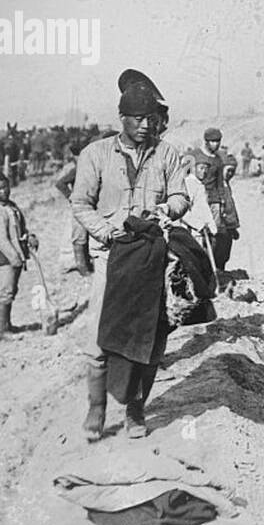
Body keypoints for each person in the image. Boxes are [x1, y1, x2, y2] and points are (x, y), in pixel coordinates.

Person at [70, 69, 188, 442]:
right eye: (138, 119)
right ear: (121, 118)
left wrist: (171, 207)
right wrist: (106, 231)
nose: (145, 125)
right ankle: (97, 410)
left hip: (152, 258)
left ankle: (136, 411)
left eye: (151, 119)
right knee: (99, 339)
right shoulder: (96, 155)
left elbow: (182, 196)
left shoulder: (166, 154)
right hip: (111, 258)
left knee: (149, 341)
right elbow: (80, 203)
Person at [0, 171, 38, 341]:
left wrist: (29, 236)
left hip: (13, 256)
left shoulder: (11, 206)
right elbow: (0, 239)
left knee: (11, 291)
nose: (3, 191)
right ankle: (1, 331)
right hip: (3, 259)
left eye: (5, 187)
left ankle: (7, 325)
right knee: (4, 292)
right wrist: (15, 259)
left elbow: (19, 229)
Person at [53, 142, 93, 275]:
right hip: (79, 206)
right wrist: (71, 196)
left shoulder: (86, 167)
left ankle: (86, 263)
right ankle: (82, 266)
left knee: (86, 235)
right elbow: (60, 183)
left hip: (89, 204)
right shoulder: (77, 169)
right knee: (79, 236)